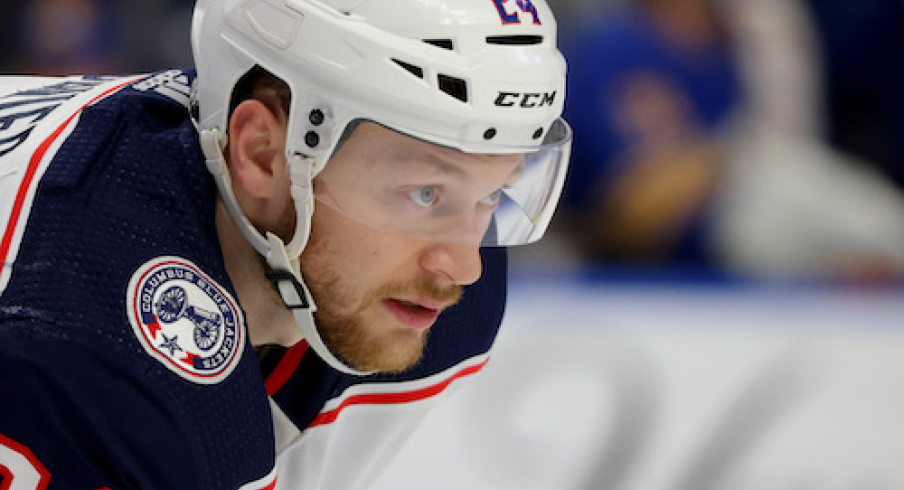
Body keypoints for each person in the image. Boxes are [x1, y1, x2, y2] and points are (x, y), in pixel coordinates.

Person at [0, 0, 571, 488]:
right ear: (263, 154)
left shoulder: (429, 304)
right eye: (425, 193)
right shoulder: (84, 327)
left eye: (493, 194)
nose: (463, 267)